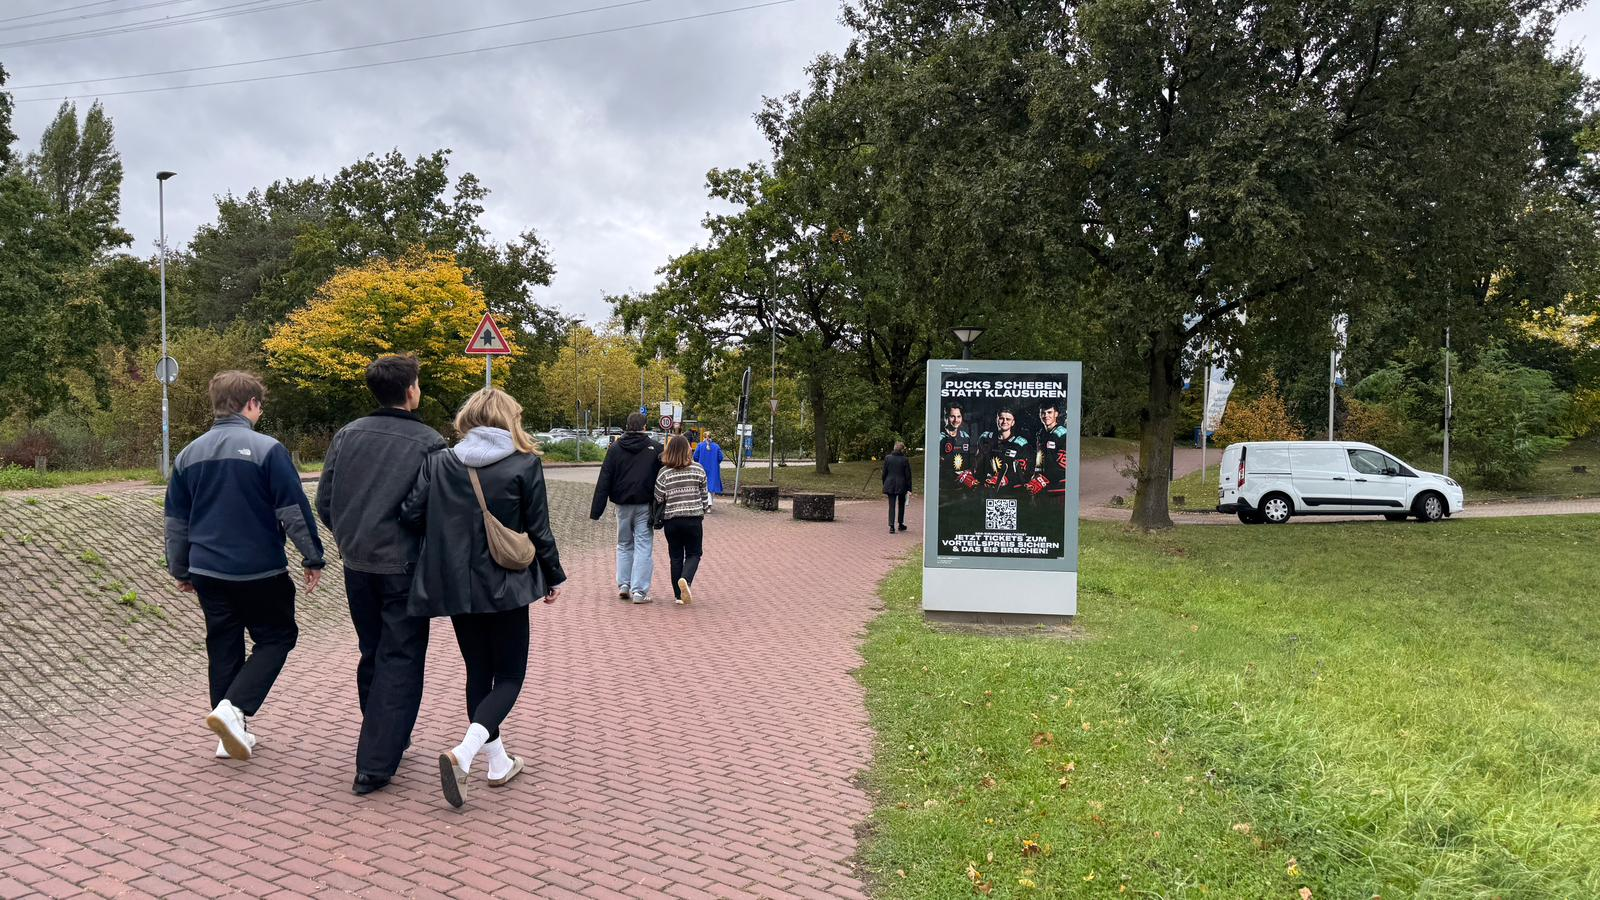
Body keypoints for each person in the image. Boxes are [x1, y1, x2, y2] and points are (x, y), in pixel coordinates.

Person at [400, 388, 565, 808]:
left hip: (456, 583)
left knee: (477, 669)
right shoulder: (524, 464)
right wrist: (553, 577)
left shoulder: (439, 462)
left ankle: (498, 763)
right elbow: (539, 528)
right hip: (508, 583)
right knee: (509, 675)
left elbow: (410, 514)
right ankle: (466, 752)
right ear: (509, 419)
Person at [164, 371, 324, 761]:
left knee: (223, 646)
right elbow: (293, 510)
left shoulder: (188, 454)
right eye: (260, 404)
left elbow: (175, 520)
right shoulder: (267, 449)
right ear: (250, 404)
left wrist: (180, 568)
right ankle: (232, 710)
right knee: (277, 637)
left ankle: (228, 736)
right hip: (259, 569)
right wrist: (312, 555)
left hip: (208, 571)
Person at [316, 355, 446, 795]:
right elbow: (436, 509)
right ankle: (375, 761)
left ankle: (388, 733)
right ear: (411, 390)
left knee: (372, 650)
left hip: (358, 563)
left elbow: (325, 501)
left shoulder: (347, 435)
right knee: (402, 656)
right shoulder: (430, 443)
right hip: (404, 565)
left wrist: (350, 538)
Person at [589, 412, 662, 603]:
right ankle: (639, 591)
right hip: (645, 505)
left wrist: (597, 510)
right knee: (643, 546)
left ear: (627, 426)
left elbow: (605, 478)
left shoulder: (615, 448)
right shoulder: (655, 448)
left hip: (622, 505)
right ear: (644, 427)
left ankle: (624, 584)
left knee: (623, 544)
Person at [654, 435, 710, 606]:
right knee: (694, 553)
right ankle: (685, 579)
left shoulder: (664, 472)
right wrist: (702, 508)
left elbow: (658, 497)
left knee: (676, 556)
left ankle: (678, 596)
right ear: (688, 450)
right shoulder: (698, 469)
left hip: (672, 521)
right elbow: (704, 497)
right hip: (693, 519)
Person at [978, 407, 1033, 491]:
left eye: (1008, 419)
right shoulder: (985, 438)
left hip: (1011, 491)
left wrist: (1006, 479)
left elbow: (1026, 474)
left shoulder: (1021, 444)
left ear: (1013, 422)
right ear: (996, 419)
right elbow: (977, 462)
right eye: (1001, 418)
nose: (1004, 422)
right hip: (988, 488)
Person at [1033, 401, 1070, 495]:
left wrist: (1045, 479)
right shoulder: (1040, 433)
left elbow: (1064, 465)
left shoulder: (1064, 434)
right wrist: (1037, 474)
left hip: (1060, 483)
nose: (1046, 416)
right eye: (1043, 413)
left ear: (1056, 414)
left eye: (1049, 412)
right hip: (1043, 482)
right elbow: (1039, 456)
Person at [940, 403, 979, 491]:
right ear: (946, 417)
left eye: (959, 416)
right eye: (952, 416)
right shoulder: (939, 438)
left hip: (963, 487)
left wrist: (969, 472)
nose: (956, 420)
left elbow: (970, 459)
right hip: (944, 488)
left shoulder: (965, 436)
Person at [882, 440, 913, 533]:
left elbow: (884, 473)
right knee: (901, 505)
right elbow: (908, 475)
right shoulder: (904, 460)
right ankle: (900, 523)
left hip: (889, 483)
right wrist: (909, 488)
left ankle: (891, 525)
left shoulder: (888, 458)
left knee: (891, 505)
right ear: (902, 450)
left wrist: (884, 483)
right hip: (902, 484)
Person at [692, 431, 726, 503]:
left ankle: (707, 503)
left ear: (703, 437)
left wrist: (698, 463)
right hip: (713, 468)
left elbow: (695, 457)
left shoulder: (700, 445)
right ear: (711, 437)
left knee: (704, 485)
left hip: (702, 468)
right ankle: (710, 503)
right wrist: (716, 463)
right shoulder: (716, 446)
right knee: (711, 485)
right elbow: (720, 457)